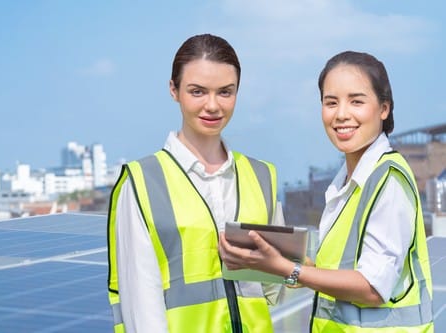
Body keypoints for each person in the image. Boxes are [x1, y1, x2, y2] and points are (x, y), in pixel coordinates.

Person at [219, 50, 434, 332]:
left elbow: (372, 288)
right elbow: (341, 271)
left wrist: (289, 270)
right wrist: (281, 260)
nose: (341, 114)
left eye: (356, 101)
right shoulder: (346, 183)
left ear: (384, 108)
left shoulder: (388, 180)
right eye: (330, 102)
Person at [107, 33, 283, 333]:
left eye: (225, 92)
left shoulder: (262, 176)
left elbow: (273, 290)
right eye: (197, 92)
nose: (212, 106)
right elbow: (141, 306)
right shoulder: (142, 182)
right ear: (174, 90)